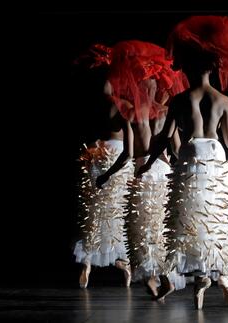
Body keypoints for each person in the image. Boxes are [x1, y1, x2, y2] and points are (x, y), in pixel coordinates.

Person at [137, 16, 228, 309]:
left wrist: (147, 164)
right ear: (215, 67)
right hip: (215, 156)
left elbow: (164, 138)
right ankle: (222, 278)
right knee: (216, 217)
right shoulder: (223, 101)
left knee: (191, 217)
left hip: (190, 156)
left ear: (191, 67)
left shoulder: (179, 101)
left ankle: (200, 282)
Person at [95, 40, 187, 298]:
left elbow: (126, 154)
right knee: (160, 226)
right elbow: (177, 150)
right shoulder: (167, 113)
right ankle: (165, 274)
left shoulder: (131, 114)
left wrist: (107, 174)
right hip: (162, 171)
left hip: (142, 173)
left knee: (142, 228)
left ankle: (152, 275)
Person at [72, 43, 133, 289]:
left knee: (97, 211)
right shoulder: (124, 107)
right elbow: (131, 147)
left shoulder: (98, 103)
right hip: (113, 154)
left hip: (98, 152)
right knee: (114, 211)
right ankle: (122, 261)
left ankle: (90, 261)